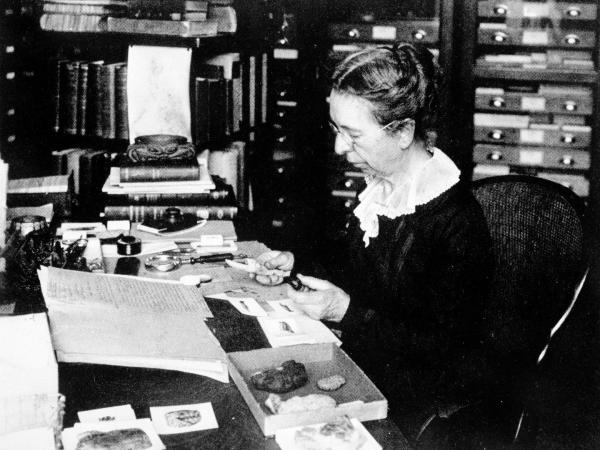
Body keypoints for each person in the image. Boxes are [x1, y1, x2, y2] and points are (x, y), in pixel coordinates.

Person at [254, 42, 494, 446]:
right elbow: (358, 265)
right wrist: (296, 262)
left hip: (413, 402)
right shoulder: (385, 187)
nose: (339, 148)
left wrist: (346, 312)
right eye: (336, 131)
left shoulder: (456, 223)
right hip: (362, 365)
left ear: (402, 132)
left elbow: (445, 352)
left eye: (352, 135)